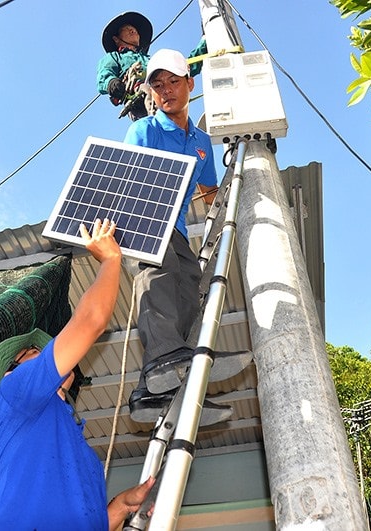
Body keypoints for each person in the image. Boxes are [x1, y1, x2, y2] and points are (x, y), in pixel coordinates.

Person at [0, 218, 154, 530]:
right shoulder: (15, 392)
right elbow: (90, 321)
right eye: (34, 352)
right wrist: (111, 260)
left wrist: (120, 507)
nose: (46, 354)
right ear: (10, 373)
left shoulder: (81, 454)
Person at [123, 49, 251, 425]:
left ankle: (155, 389)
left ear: (190, 85)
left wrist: (236, 203)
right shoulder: (143, 130)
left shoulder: (200, 141)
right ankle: (164, 356)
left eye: (173, 82)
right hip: (147, 216)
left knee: (190, 288)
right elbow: (133, 178)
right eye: (157, 85)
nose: (166, 91)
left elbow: (210, 190)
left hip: (177, 229)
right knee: (157, 274)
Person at [96, 11, 207, 121]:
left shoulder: (151, 61)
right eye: (126, 29)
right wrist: (112, 84)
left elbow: (183, 68)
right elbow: (104, 75)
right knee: (148, 93)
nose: (133, 30)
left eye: (135, 30)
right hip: (139, 99)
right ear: (116, 39)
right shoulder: (114, 57)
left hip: (162, 96)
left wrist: (205, 40)